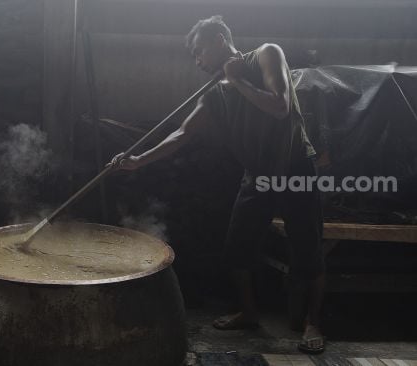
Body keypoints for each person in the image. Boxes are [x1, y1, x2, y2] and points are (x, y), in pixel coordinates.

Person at [108, 15, 326, 354]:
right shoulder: (212, 94)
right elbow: (182, 134)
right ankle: (250, 312)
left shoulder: (266, 54)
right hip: (258, 174)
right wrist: (138, 161)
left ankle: (313, 322)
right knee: (237, 248)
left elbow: (280, 107)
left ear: (220, 41)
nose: (197, 61)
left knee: (307, 247)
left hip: (295, 167)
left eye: (200, 53)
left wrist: (237, 80)